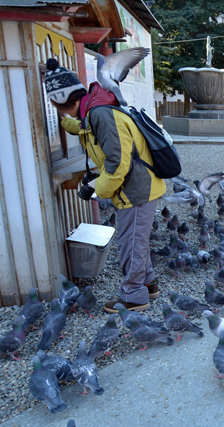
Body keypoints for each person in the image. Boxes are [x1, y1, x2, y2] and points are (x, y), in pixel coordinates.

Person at [45, 58, 165, 313]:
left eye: (59, 109)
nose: (62, 115)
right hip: (138, 187)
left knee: (130, 244)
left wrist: (98, 190)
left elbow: (118, 163)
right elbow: (81, 127)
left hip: (136, 190)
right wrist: (67, 123)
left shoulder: (101, 114)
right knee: (136, 240)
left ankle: (134, 296)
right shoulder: (94, 109)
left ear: (65, 102)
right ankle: (149, 284)